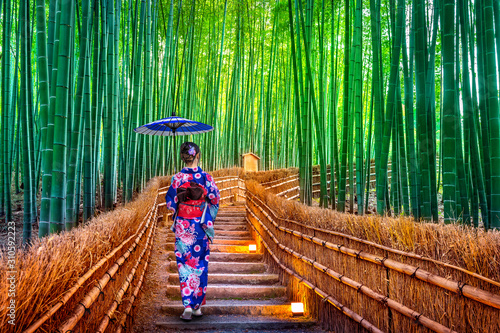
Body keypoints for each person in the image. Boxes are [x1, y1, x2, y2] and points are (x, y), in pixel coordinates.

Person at [165, 142, 220, 321]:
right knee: (200, 265)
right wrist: (206, 214)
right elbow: (215, 199)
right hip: (200, 227)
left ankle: (187, 307)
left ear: (183, 157)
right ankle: (197, 307)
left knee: (184, 265)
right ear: (198, 155)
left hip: (183, 228)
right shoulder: (206, 177)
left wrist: (180, 201)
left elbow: (170, 204)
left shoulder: (177, 178)